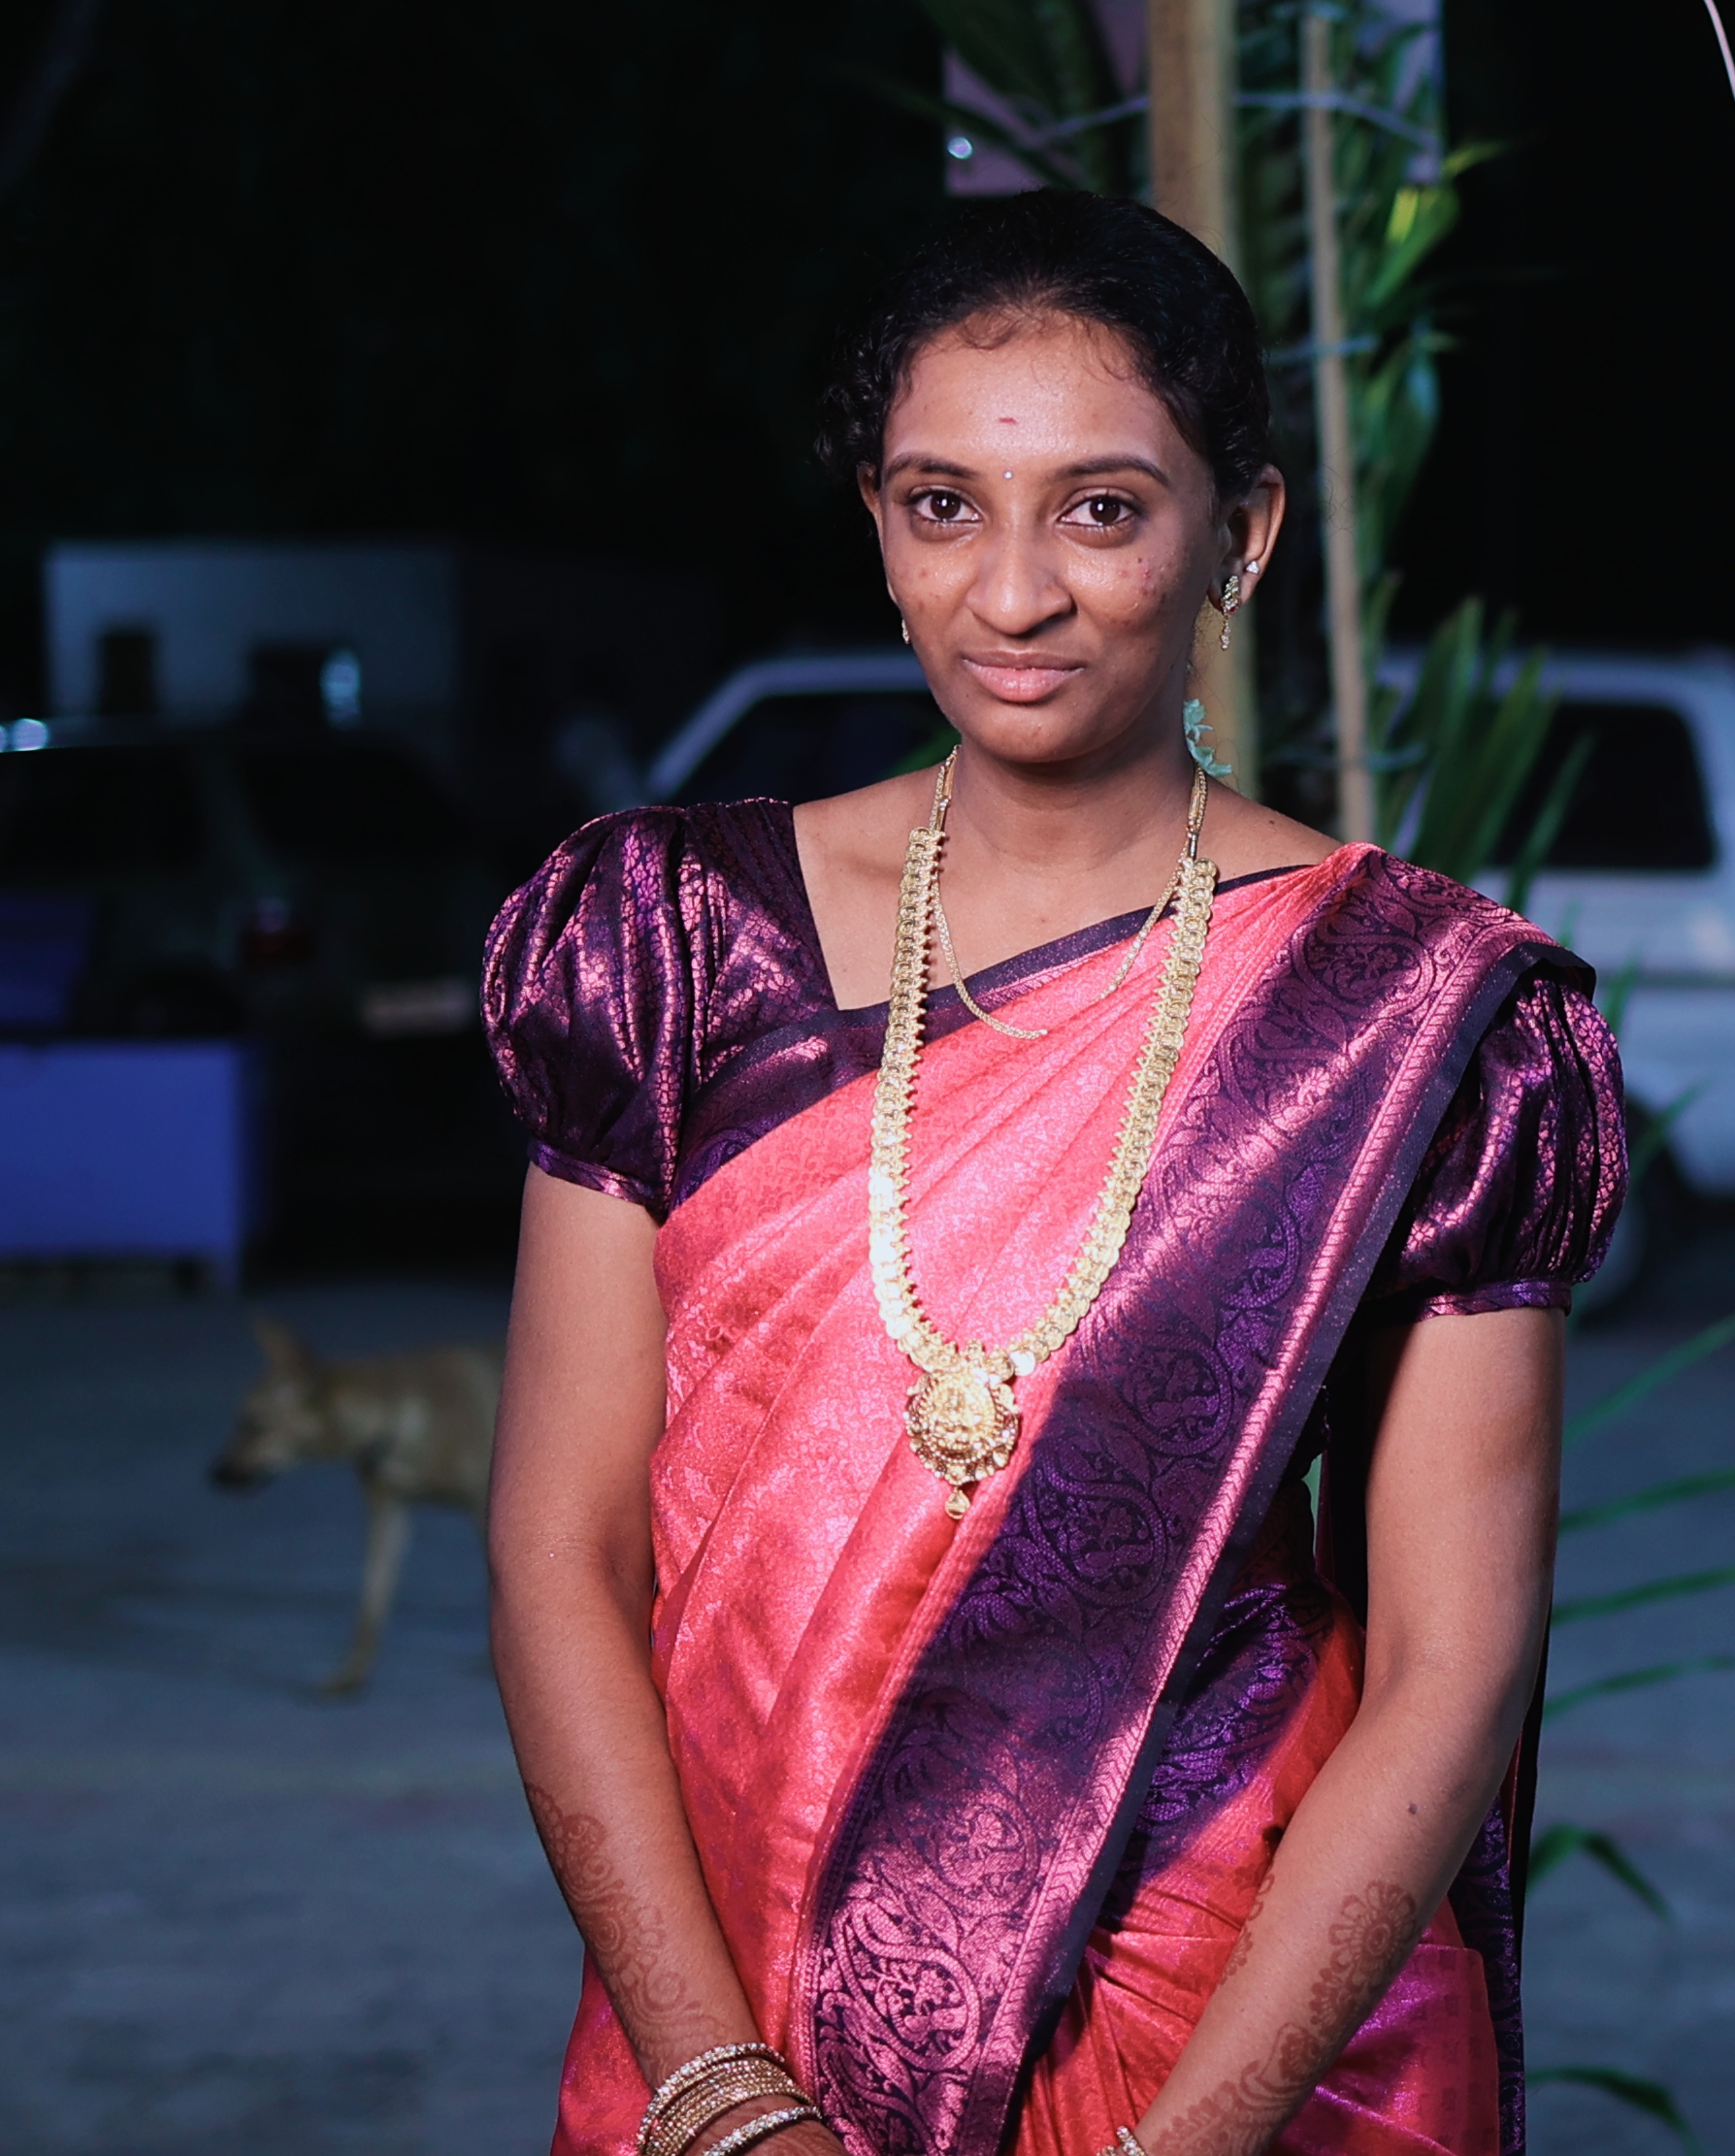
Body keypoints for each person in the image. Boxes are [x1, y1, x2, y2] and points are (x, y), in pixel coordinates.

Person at [481, 191, 1622, 2156]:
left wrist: (1201, 2130)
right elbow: (556, 1556)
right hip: (732, 1992)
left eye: (1101, 509)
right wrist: (718, 2085)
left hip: (1230, 2014)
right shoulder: (672, 946)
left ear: (1240, 534)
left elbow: (1453, 1662)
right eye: (945, 505)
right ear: (880, 528)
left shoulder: (1407, 1015)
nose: (1013, 593)